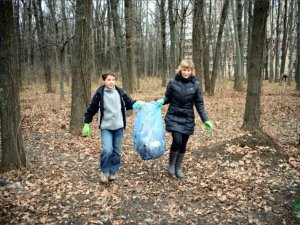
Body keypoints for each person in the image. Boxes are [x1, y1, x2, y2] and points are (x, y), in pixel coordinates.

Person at [156, 59, 213, 178]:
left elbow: (199, 104)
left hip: (187, 118)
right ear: (180, 69)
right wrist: (162, 101)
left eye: (188, 70)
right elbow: (168, 98)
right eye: (184, 70)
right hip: (173, 116)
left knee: (183, 144)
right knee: (177, 140)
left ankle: (178, 167)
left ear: (191, 71)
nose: (186, 72)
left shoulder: (196, 84)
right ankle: (171, 164)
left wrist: (205, 119)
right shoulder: (172, 82)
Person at [82, 72, 143, 183]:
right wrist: (86, 123)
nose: (111, 82)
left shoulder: (120, 92)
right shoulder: (99, 94)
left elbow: (129, 102)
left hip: (119, 127)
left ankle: (113, 171)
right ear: (104, 81)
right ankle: (104, 171)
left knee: (116, 151)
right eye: (109, 80)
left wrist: (137, 104)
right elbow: (92, 108)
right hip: (106, 127)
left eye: (113, 80)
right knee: (107, 150)